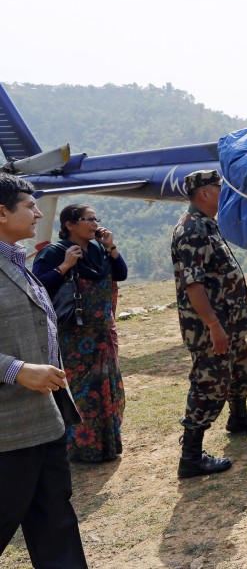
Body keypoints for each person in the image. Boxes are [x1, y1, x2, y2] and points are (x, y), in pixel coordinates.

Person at [0, 173, 89, 567]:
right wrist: (16, 370)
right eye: (29, 206)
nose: (39, 213)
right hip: (7, 429)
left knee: (55, 521)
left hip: (45, 418)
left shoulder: (17, 261)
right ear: (2, 212)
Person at [171, 169, 247, 479]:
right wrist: (213, 325)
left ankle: (238, 418)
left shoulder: (207, 224)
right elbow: (193, 284)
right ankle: (191, 456)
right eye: (218, 187)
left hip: (230, 320)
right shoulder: (192, 230)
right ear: (203, 193)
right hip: (209, 325)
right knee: (208, 383)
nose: (223, 190)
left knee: (240, 368)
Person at [33, 203, 128, 462]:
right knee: (83, 391)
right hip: (74, 337)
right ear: (70, 225)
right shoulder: (55, 252)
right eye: (88, 219)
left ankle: (108, 445)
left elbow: (121, 273)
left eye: (96, 218)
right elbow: (36, 287)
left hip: (103, 334)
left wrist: (111, 247)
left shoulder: (98, 249)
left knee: (109, 388)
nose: (95, 223)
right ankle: (83, 449)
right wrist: (64, 266)